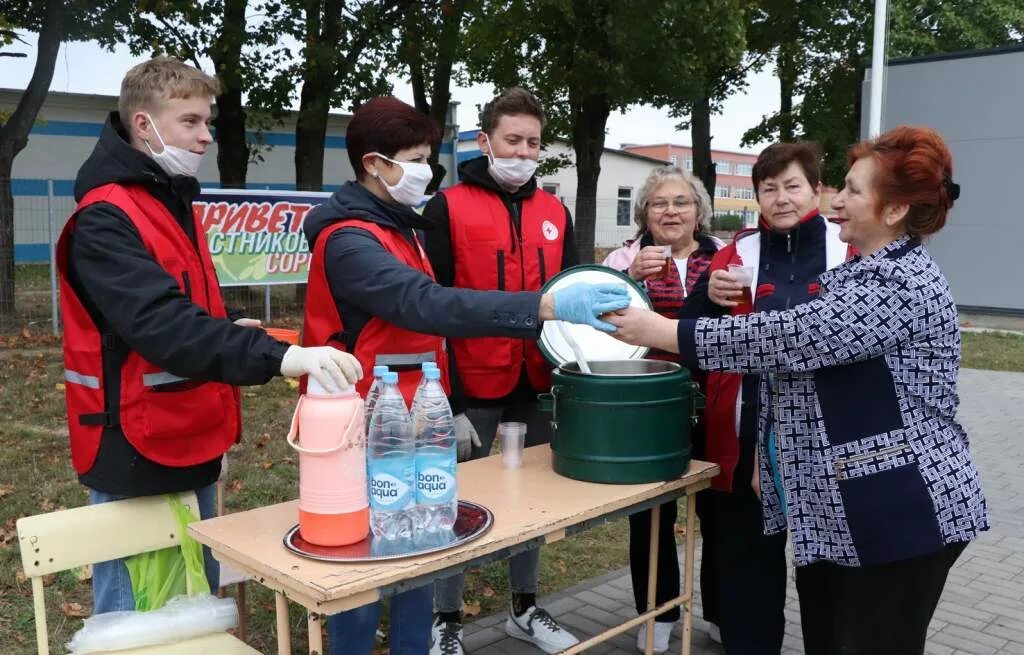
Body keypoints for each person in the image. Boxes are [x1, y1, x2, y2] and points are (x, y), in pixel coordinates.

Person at [606, 125, 988, 655]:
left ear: (895, 210)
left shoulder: (897, 281)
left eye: (853, 190)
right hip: (845, 507)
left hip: (899, 513)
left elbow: (787, 340)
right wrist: (771, 455)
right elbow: (802, 380)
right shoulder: (862, 274)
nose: (836, 198)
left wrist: (663, 330)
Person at [301, 96, 628, 655]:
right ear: (374, 163)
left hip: (415, 412)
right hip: (363, 421)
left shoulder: (399, 227)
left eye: (429, 157)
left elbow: (424, 331)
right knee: (356, 564)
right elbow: (425, 304)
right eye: (416, 158)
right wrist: (543, 308)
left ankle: (423, 638)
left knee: (424, 541)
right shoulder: (350, 238)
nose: (428, 170)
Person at [57, 56, 361, 614]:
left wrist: (226, 331)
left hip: (185, 431)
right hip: (133, 442)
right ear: (144, 125)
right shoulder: (107, 217)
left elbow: (181, 315)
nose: (205, 136)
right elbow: (163, 328)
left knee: (195, 598)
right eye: (191, 122)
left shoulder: (170, 200)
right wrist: (282, 356)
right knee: (139, 618)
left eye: (207, 122)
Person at [676, 141, 854, 654]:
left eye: (792, 185)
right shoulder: (737, 254)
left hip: (830, 447)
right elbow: (691, 333)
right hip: (744, 442)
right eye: (768, 188)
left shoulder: (850, 252)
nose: (781, 198)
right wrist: (707, 298)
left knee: (828, 580)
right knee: (748, 576)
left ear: (816, 190)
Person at [423, 87, 581, 655]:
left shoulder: (554, 211)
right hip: (471, 385)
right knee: (453, 500)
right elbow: (430, 304)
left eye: (533, 142)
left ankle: (525, 607)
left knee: (529, 502)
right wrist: (451, 397)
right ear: (485, 141)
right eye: (512, 140)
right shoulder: (446, 206)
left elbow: (566, 299)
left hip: (535, 383)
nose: (522, 152)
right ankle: (445, 619)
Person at [602, 166, 721, 653]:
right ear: (645, 214)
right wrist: (629, 279)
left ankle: (720, 607)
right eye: (659, 203)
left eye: (681, 202)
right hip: (647, 403)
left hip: (715, 398)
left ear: (699, 211)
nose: (671, 211)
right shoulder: (622, 259)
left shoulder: (726, 258)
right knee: (650, 513)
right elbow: (596, 319)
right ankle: (658, 611)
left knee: (721, 512)